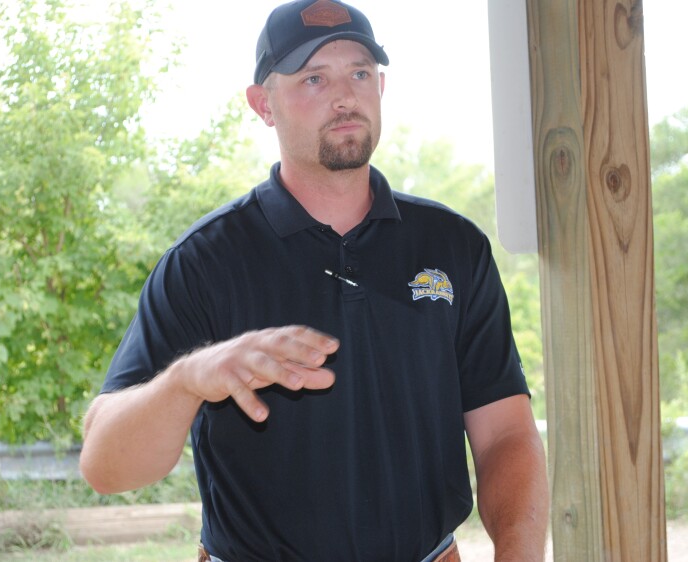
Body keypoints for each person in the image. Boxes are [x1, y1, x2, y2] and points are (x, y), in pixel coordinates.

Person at [80, 1, 549, 560]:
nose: (344, 96)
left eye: (359, 73)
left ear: (380, 86)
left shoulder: (454, 247)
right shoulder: (204, 262)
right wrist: (187, 379)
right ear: (263, 105)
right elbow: (106, 466)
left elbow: (505, 435)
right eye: (313, 78)